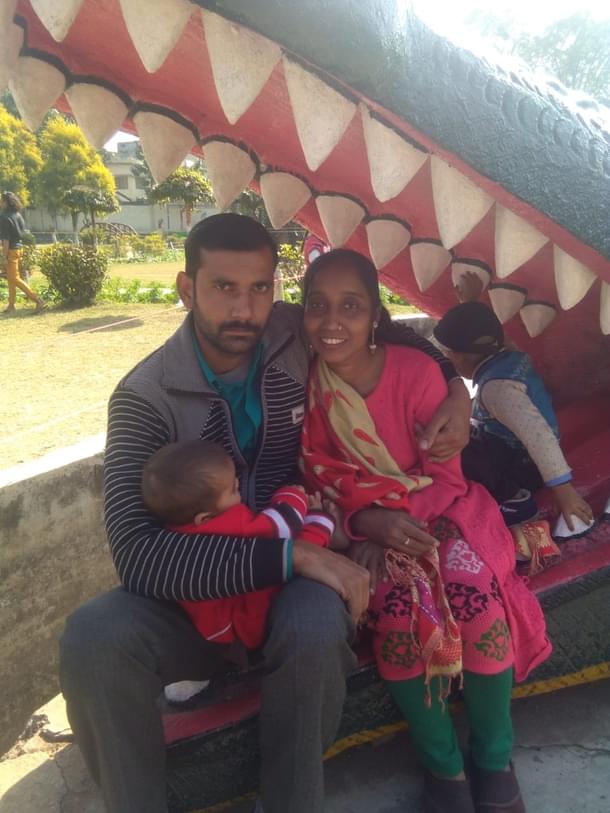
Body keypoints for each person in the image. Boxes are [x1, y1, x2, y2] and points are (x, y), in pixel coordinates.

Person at [59, 213, 471, 813]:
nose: (244, 309)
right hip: (197, 603)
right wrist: (294, 554)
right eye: (224, 287)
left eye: (260, 288)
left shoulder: (285, 332)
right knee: (92, 636)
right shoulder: (145, 397)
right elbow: (138, 556)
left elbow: (382, 331)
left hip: (287, 588)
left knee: (313, 626)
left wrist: (454, 387)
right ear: (185, 288)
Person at [300, 249, 551, 813]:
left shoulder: (413, 373)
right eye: (317, 305)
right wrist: (367, 523)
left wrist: (408, 523)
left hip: (447, 514)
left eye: (351, 306)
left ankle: (494, 758)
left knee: (474, 598)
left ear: (374, 317)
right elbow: (318, 483)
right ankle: (445, 770)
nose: (332, 321)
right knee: (396, 613)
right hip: (367, 534)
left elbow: (443, 470)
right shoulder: (308, 392)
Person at [142, 438, 336, 652]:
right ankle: (322, 523)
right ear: (205, 518)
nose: (239, 491)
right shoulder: (226, 524)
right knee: (296, 551)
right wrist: (293, 495)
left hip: (209, 621)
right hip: (245, 619)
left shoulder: (176, 527)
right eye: (234, 490)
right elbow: (282, 527)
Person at [433, 302, 593, 532]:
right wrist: (468, 299)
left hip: (522, 465)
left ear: (457, 357)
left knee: (461, 452)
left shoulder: (497, 391)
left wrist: (563, 491)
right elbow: (477, 330)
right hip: (511, 444)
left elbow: (538, 437)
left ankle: (514, 500)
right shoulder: (509, 353)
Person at [0, 191, 44, 314]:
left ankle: (38, 300)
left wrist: (3, 256)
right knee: (11, 278)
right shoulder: (18, 215)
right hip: (19, 249)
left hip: (10, 251)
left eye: (1, 200)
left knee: (14, 278)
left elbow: (6, 239)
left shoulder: (4, 217)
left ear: (5, 202)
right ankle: (11, 305)